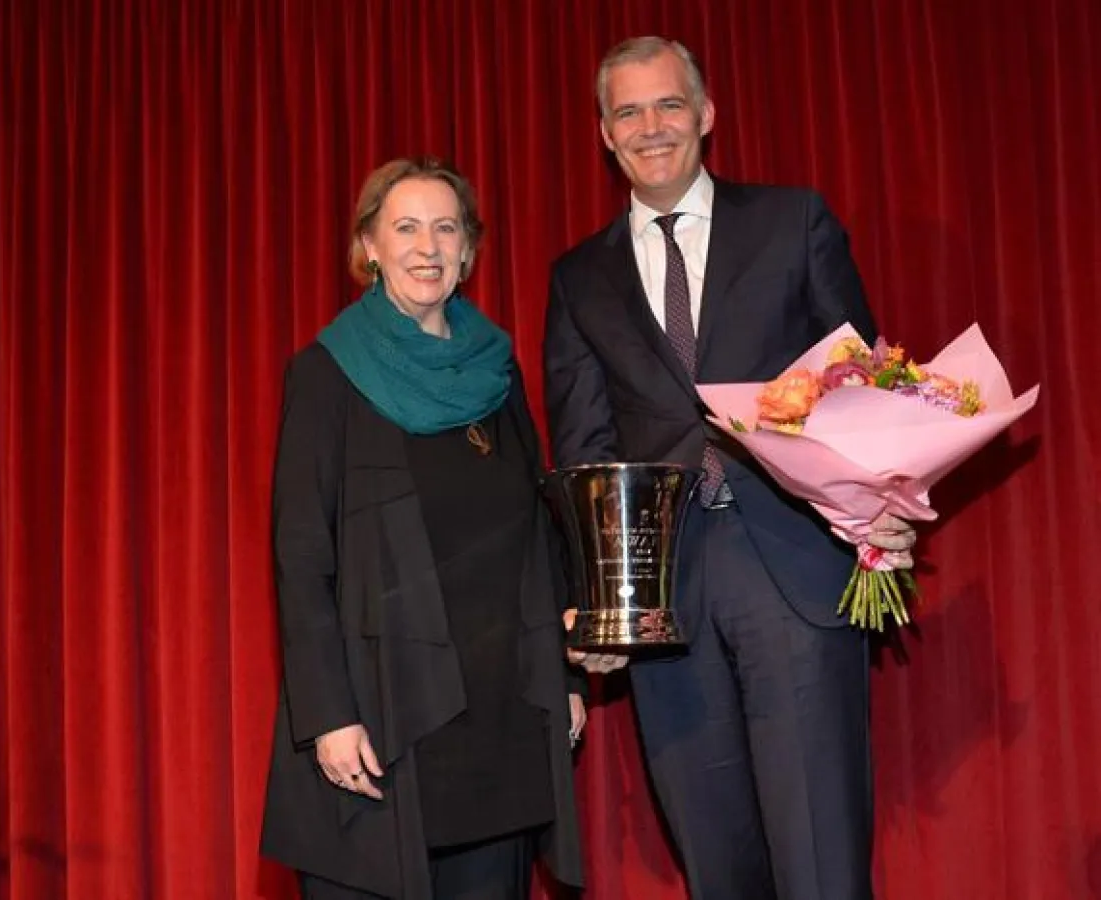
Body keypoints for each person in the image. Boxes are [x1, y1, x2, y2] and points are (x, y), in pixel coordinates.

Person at [543, 36, 916, 900]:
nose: (651, 127)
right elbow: (583, 447)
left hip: (794, 569)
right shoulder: (577, 277)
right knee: (718, 866)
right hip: (665, 601)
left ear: (705, 115)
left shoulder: (793, 222)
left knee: (821, 860)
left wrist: (885, 501)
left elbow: (863, 381)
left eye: (668, 104)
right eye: (627, 112)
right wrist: (600, 601)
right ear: (604, 134)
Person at [261, 157, 585, 900]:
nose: (427, 246)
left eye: (446, 227)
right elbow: (301, 555)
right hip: (383, 720)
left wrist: (560, 676)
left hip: (499, 717)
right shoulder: (325, 374)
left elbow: (541, 537)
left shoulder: (497, 373)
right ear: (367, 245)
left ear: (469, 249)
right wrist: (327, 718)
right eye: (404, 227)